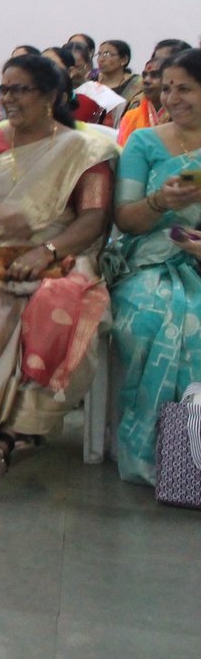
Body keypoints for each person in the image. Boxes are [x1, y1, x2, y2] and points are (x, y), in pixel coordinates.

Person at [0, 53, 116, 474]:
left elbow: (94, 218)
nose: (8, 99)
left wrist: (49, 251)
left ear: (51, 96)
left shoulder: (86, 148)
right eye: (4, 89)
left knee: (64, 304)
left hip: (64, 253)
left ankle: (24, 426)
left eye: (20, 90)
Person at [105, 49, 201, 485]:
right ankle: (162, 454)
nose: (172, 98)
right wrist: (160, 201)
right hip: (148, 261)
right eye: (167, 88)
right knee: (151, 315)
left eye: (185, 89)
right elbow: (126, 219)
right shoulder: (143, 143)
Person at [118, 52, 184, 145]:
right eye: (144, 75)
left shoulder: (182, 115)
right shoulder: (131, 117)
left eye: (155, 75)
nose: (146, 80)